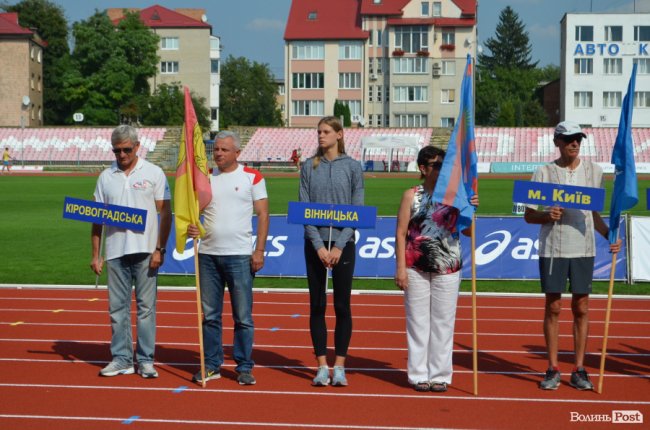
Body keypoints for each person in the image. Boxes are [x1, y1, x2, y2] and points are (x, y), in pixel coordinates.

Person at [524, 121, 621, 391]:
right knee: (553, 306)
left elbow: (594, 214)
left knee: (582, 307)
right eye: (568, 139)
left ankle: (579, 368)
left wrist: (610, 236)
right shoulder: (543, 172)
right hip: (553, 249)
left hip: (584, 249)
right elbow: (528, 215)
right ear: (557, 142)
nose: (574, 143)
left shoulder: (594, 172)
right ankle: (553, 368)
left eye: (578, 138)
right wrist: (547, 215)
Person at [187, 130, 269, 386]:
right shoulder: (205, 178)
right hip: (208, 255)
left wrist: (259, 251)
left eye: (224, 149)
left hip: (240, 256)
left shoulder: (252, 177)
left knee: (243, 316)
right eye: (216, 150)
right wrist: (192, 226)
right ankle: (212, 364)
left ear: (237, 152)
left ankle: (244, 366)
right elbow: (193, 211)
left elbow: (263, 215)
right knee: (210, 316)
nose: (219, 154)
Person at [394, 145, 478, 393]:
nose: (442, 169)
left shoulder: (456, 196)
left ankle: (440, 374)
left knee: (443, 322)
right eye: (436, 165)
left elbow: (469, 232)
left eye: (444, 165)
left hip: (448, 265)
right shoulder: (411, 195)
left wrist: (471, 209)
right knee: (417, 321)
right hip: (415, 265)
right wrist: (400, 267)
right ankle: (418, 373)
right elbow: (400, 233)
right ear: (423, 168)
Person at [90, 125, 172, 379]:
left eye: (126, 149)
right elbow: (96, 217)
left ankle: (146, 360)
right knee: (117, 309)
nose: (122, 154)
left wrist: (160, 248)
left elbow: (166, 212)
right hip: (115, 252)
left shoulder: (154, 172)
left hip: (146, 252)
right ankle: (122, 359)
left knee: (146, 309)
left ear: (137, 147)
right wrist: (96, 253)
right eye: (117, 150)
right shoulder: (106, 176)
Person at [299, 116, 364, 387]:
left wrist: (338, 245)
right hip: (315, 246)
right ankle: (321, 366)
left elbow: (357, 210)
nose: (320, 136)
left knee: (341, 306)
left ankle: (340, 366)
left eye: (326, 132)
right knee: (317, 305)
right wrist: (318, 246)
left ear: (339, 134)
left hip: (343, 245)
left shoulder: (352, 167)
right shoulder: (307, 166)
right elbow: (304, 210)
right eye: (318, 132)